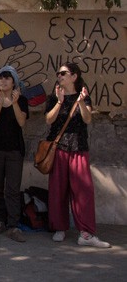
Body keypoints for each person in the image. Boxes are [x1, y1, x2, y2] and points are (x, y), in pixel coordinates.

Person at [46, 62, 110, 248]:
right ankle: (59, 227)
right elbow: (49, 119)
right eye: (58, 73)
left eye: (64, 73)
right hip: (59, 147)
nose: (60, 76)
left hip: (78, 146)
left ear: (74, 76)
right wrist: (59, 101)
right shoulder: (54, 96)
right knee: (58, 189)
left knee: (83, 190)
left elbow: (87, 119)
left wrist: (81, 102)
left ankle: (86, 233)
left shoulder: (83, 96)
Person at [0, 66, 28, 242]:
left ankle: (14, 225)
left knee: (12, 188)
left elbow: (21, 122)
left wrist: (15, 103)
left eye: (7, 78)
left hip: (14, 150)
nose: (3, 81)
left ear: (14, 82)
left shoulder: (22, 100)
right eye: (1, 78)